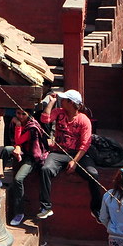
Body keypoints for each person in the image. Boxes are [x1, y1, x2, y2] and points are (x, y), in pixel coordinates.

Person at [37, 89, 103, 219]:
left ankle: (96, 209)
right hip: (59, 152)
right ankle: (46, 206)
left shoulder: (84, 120)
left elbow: (85, 144)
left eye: (64, 100)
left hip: (78, 154)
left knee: (93, 174)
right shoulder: (59, 113)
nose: (61, 101)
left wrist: (75, 161)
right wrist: (51, 103)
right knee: (46, 169)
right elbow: (45, 119)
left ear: (71, 103)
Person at [2, 108, 48, 226]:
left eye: (24, 114)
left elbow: (19, 139)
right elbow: (15, 141)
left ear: (29, 115)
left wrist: (18, 125)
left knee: (18, 179)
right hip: (22, 150)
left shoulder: (32, 127)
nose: (21, 116)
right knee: (6, 150)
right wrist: (16, 147)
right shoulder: (14, 123)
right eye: (18, 113)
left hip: (32, 157)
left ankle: (19, 212)